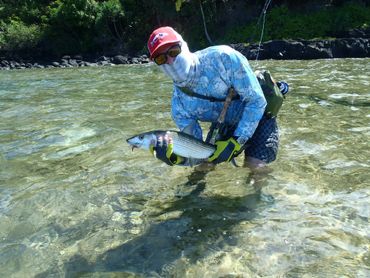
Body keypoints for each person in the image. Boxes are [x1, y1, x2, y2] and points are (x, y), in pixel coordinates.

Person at [147, 26, 287, 169]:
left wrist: (237, 141)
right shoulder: (179, 106)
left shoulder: (224, 58)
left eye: (174, 51)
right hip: (223, 124)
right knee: (203, 166)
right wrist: (175, 158)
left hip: (260, 116)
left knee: (255, 166)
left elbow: (257, 101)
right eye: (161, 58)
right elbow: (195, 151)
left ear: (184, 46)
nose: (170, 61)